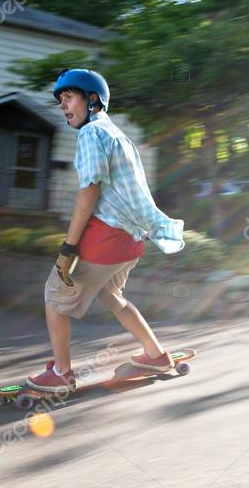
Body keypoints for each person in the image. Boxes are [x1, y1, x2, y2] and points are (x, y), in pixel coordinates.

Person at [26, 68, 185, 392]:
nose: (63, 105)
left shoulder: (91, 133)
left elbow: (89, 192)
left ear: (93, 100)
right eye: (60, 100)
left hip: (107, 235)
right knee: (110, 295)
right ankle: (155, 354)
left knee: (54, 295)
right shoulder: (117, 134)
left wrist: (68, 248)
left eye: (69, 97)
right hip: (132, 238)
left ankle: (61, 374)